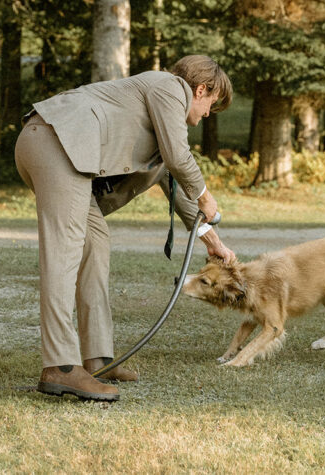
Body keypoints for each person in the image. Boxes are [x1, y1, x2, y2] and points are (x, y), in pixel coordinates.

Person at [14, 55, 236, 401]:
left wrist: (213, 241)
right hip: (56, 142)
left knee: (95, 243)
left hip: (62, 149)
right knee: (65, 252)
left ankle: (98, 359)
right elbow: (180, 158)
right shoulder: (170, 87)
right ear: (200, 89)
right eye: (211, 103)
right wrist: (206, 193)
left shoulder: (159, 125)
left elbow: (173, 182)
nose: (208, 113)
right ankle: (60, 366)